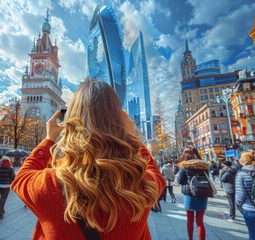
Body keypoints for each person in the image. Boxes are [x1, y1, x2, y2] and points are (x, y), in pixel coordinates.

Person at [11, 79, 165, 239]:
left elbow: (21, 178)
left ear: (71, 121)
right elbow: (156, 174)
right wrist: (133, 138)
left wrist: (48, 139)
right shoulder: (142, 184)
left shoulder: (49, 185)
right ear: (120, 123)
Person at [176, 146, 210, 240]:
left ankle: (190, 238)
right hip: (202, 193)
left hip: (189, 194)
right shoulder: (205, 166)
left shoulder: (185, 166)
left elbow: (179, 180)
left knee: (190, 220)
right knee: (200, 221)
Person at [0, 156, 15, 221]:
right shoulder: (10, 168)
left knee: (2, 198)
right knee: (3, 199)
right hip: (7, 185)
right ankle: (0, 214)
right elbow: (13, 177)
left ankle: (2, 210)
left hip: (0, 185)